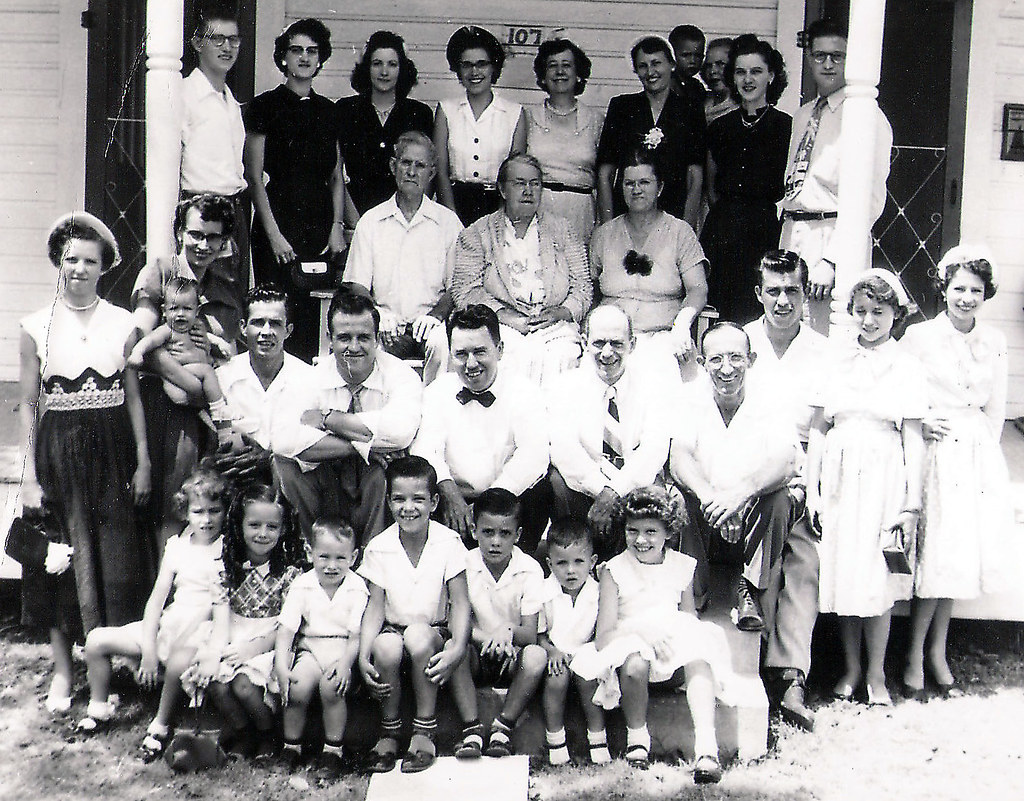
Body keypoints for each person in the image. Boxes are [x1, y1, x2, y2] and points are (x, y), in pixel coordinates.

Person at [18, 212, 153, 715]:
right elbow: (30, 405)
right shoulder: (35, 326)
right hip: (59, 453)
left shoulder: (123, 323)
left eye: (89, 261)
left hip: (113, 450)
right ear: (59, 261)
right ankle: (62, 670)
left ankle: (108, 663)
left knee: (113, 558)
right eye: (70, 259)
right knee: (59, 559)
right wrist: (29, 476)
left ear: (105, 267)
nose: (78, 268)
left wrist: (142, 462)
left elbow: (135, 399)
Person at [806, 269, 925, 706]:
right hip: (839, 469)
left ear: (896, 314)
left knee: (877, 576)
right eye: (861, 312)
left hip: (882, 470)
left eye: (879, 311)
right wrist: (815, 490)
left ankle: (876, 673)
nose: (870, 320)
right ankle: (851, 667)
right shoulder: (835, 360)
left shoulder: (907, 365)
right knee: (845, 572)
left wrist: (910, 503)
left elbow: (912, 434)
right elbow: (819, 427)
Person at [900, 246, 1013, 699]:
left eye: (976, 291)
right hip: (932, 449)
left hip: (974, 455)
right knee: (936, 558)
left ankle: (937, 653)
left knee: (958, 558)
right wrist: (921, 423)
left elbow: (996, 409)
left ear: (986, 295)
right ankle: (911, 656)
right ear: (943, 289)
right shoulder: (919, 338)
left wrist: (980, 451)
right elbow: (901, 393)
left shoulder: (995, 342)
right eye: (959, 288)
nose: (966, 297)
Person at [571, 487, 732, 783]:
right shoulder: (614, 570)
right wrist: (643, 630)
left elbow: (688, 618)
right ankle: (637, 740)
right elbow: (604, 635)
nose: (641, 540)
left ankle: (706, 750)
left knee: (699, 650)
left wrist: (672, 636)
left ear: (668, 533)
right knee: (635, 661)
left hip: (669, 655)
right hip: (629, 648)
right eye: (633, 531)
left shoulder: (683, 566)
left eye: (650, 532)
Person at [669, 323, 801, 632]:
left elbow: (785, 460)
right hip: (707, 519)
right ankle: (694, 593)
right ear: (702, 364)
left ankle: (750, 590)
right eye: (715, 359)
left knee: (780, 498)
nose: (726, 368)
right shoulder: (690, 397)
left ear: (751, 360)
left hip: (751, 521)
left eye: (735, 358)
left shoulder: (773, 397)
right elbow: (679, 459)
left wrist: (740, 495)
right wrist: (712, 498)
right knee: (679, 495)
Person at [78, 468, 228, 735]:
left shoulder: (227, 547)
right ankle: (98, 710)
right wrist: (148, 651)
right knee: (97, 640)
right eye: (198, 511)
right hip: (172, 623)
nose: (206, 519)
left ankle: (161, 724)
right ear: (185, 512)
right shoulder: (177, 546)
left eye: (214, 510)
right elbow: (156, 600)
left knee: (180, 660)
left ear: (225, 511)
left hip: (203, 630)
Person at [131, 194, 241, 547]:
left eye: (213, 237)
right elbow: (139, 339)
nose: (203, 244)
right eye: (195, 234)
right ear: (179, 232)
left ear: (224, 242)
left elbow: (228, 357)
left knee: (201, 505)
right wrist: (190, 386)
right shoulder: (160, 272)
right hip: (162, 408)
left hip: (205, 416)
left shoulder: (225, 289)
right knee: (172, 505)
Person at [357, 456, 478, 773]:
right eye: (399, 499)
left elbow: (461, 602)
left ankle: (424, 732)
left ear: (435, 502)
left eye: (418, 499)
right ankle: (389, 732)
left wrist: (458, 646)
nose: (408, 507)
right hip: (394, 632)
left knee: (418, 635)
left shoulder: (448, 542)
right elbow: (374, 608)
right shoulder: (378, 547)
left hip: (433, 634)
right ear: (388, 501)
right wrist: (362, 655)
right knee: (385, 645)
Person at [276, 286, 423, 545]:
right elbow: (284, 440)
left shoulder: (401, 375)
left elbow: (400, 434)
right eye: (344, 337)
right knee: (283, 463)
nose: (354, 347)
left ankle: (371, 560)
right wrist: (362, 447)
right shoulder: (310, 378)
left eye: (364, 337)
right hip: (325, 477)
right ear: (329, 338)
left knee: (380, 471)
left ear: (377, 339)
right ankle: (311, 552)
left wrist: (327, 418)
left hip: (374, 479)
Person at [780, 19, 893, 335]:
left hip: (830, 238)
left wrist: (832, 261)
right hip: (794, 234)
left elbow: (870, 201)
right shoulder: (804, 115)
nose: (827, 64)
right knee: (789, 331)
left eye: (838, 56)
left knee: (824, 334)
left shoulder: (865, 117)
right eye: (819, 56)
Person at [244, 17, 345, 361]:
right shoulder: (264, 106)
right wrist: (274, 235)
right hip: (277, 224)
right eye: (296, 50)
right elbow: (254, 177)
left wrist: (336, 228)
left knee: (312, 314)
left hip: (318, 226)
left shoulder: (330, 111)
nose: (304, 57)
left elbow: (335, 175)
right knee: (276, 311)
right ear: (284, 57)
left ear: (321, 58)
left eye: (312, 51)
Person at [411, 306, 550, 552]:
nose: (471, 363)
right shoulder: (437, 392)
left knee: (541, 490)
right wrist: (448, 491)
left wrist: (490, 502)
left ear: (500, 350)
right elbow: (426, 449)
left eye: (480, 352)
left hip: (507, 499)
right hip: (455, 503)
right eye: (461, 354)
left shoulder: (525, 392)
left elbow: (533, 457)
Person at [185, 483, 306, 760]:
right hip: (233, 633)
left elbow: (289, 627)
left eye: (271, 527)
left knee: (242, 683)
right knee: (215, 679)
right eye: (254, 525)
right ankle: (244, 731)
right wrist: (214, 653)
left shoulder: (290, 572)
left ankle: (267, 733)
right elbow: (222, 619)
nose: (262, 534)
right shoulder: (226, 567)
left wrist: (252, 650)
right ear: (239, 526)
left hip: (273, 639)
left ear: (284, 528)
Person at [450, 153, 592, 386]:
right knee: (509, 358)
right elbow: (465, 291)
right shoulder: (478, 233)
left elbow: (583, 287)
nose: (528, 190)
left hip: (553, 327)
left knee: (563, 358)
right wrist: (505, 316)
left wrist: (562, 312)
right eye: (519, 183)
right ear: (503, 190)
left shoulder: (564, 230)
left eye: (534, 184)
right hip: (502, 325)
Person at [548, 306, 673, 561]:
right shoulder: (564, 387)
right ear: (584, 342)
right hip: (585, 488)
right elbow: (564, 449)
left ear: (632, 344)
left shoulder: (654, 385)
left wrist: (614, 492)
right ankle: (575, 568)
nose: (607, 353)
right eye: (599, 343)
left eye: (616, 343)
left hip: (632, 484)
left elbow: (654, 449)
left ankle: (647, 574)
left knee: (663, 494)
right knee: (555, 483)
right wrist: (602, 490)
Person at [344, 131, 463, 376]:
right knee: (374, 353)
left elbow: (457, 287)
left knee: (442, 347)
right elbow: (357, 285)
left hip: (431, 323)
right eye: (406, 162)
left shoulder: (448, 223)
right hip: (386, 323)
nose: (411, 171)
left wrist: (436, 317)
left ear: (431, 173)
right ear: (393, 166)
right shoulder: (371, 221)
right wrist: (377, 314)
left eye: (420, 166)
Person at [703, 35, 791, 325]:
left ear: (771, 75)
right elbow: (712, 185)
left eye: (756, 71)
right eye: (741, 72)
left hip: (763, 230)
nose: (748, 80)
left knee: (755, 307)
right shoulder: (720, 127)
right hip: (722, 229)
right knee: (719, 306)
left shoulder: (786, 127)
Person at [590, 148, 708, 361]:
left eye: (644, 182)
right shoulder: (604, 235)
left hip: (662, 336)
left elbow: (697, 289)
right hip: (611, 341)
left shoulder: (679, 232)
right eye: (629, 183)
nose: (636, 190)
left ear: (660, 187)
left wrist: (681, 325)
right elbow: (590, 289)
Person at [274, 519, 368, 777]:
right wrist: (282, 666)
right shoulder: (302, 585)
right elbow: (286, 631)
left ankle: (333, 751)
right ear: (309, 552)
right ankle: (291, 747)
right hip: (312, 650)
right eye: (323, 556)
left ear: (354, 557)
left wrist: (346, 664)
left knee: (332, 687)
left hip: (342, 651)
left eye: (340, 558)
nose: (331, 565)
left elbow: (356, 635)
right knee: (297, 686)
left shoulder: (356, 587)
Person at [214, 284, 326, 486]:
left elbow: (313, 457)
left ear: (288, 330)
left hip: (288, 487)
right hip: (236, 483)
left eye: (275, 323)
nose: (266, 332)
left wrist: (271, 459)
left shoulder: (310, 380)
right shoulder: (222, 378)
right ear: (243, 327)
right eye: (258, 322)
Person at [464, 489, 547, 757]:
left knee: (535, 656)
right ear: (474, 531)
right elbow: (458, 624)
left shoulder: (530, 569)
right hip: (476, 650)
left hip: (513, 656)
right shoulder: (463, 565)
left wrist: (506, 631)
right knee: (453, 649)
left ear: (518, 535)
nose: (496, 542)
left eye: (505, 533)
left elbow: (531, 633)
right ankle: (472, 730)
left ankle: (503, 727)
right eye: (488, 532)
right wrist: (488, 638)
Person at [597, 35, 706, 228]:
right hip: (627, 214)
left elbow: (695, 175)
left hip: (673, 214)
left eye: (656, 63)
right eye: (643, 66)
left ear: (671, 65)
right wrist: (608, 226)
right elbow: (606, 172)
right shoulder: (622, 107)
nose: (650, 72)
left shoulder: (690, 110)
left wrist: (686, 228)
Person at [180, 3, 250, 302]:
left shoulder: (230, 102)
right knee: (203, 304)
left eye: (233, 40)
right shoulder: (185, 94)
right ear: (197, 43)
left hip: (233, 213)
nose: (227, 47)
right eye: (217, 39)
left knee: (232, 305)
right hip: (201, 216)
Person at [337, 30, 434, 224]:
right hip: (356, 217)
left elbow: (427, 176)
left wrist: (411, 219)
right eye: (377, 63)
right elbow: (336, 173)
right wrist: (355, 223)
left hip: (404, 219)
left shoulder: (419, 113)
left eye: (392, 64)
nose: (384, 72)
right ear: (366, 68)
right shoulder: (346, 110)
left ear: (402, 69)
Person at [435, 25, 528, 226]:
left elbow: (516, 174)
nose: (474, 71)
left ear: (494, 67)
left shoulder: (514, 113)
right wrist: (451, 218)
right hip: (455, 205)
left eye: (481, 64)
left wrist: (503, 219)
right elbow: (440, 171)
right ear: (458, 68)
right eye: (466, 64)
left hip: (498, 207)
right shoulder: (446, 110)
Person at [127, 277, 236, 446]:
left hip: (190, 384)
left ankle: (222, 428)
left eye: (187, 309)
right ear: (164, 310)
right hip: (178, 377)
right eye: (174, 308)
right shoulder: (167, 331)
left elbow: (210, 338)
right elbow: (149, 341)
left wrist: (220, 343)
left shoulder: (196, 326)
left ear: (197, 310)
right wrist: (137, 353)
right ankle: (219, 411)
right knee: (208, 372)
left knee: (217, 377)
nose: (180, 314)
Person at [538, 522, 608, 766]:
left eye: (579, 561)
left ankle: (598, 738)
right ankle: (555, 740)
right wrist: (552, 651)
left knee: (588, 677)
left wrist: (588, 652)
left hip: (586, 650)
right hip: (555, 652)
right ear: (549, 564)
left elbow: (601, 632)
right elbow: (539, 634)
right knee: (556, 679)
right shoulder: (544, 592)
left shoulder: (598, 592)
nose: (571, 570)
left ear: (592, 561)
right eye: (561, 563)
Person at [526, 38, 604, 244]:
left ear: (578, 74)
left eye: (567, 65)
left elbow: (605, 176)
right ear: (543, 76)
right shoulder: (527, 117)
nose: (560, 71)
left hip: (582, 211)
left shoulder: (596, 120)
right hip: (538, 209)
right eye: (552, 66)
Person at [667, 24, 708, 113]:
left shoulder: (697, 86)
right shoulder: (667, 85)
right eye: (686, 55)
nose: (692, 61)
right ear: (671, 55)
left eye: (698, 55)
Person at [701, 38, 739, 124]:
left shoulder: (739, 108)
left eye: (720, 64)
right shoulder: (701, 101)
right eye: (708, 65)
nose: (712, 71)